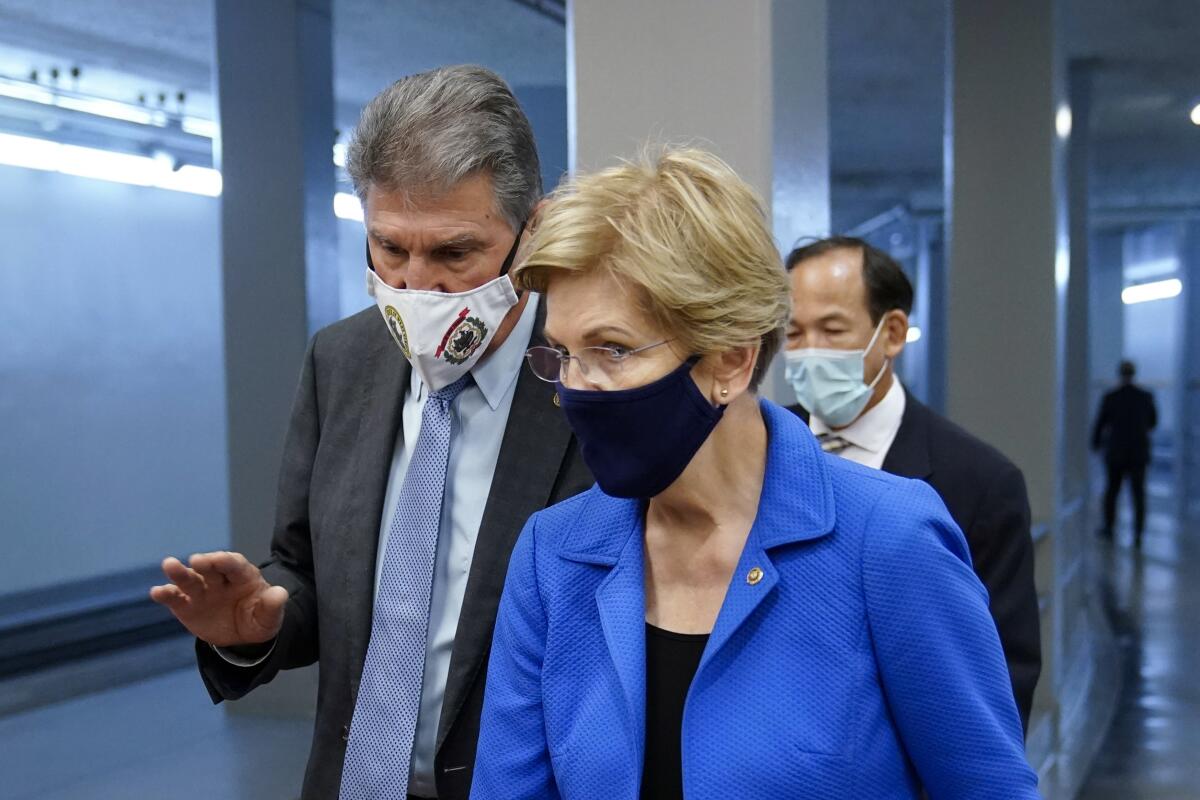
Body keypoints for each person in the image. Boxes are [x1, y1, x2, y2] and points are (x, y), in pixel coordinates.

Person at [470, 148, 1039, 799]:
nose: (576, 389)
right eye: (564, 355)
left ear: (731, 363)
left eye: (612, 349)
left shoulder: (889, 542)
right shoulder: (554, 556)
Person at [149, 65, 592, 800]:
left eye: (455, 253)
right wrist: (257, 624)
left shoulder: (586, 379)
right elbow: (307, 572)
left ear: (532, 231)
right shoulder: (342, 362)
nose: (418, 286)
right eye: (390, 248)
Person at [781, 236, 1041, 731]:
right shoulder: (763, 451)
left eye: (832, 330)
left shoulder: (979, 482)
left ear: (892, 333)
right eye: (794, 334)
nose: (809, 353)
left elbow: (1005, 671)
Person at [1092, 359, 1158, 547]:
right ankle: (1138, 533)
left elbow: (1100, 423)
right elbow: (1153, 422)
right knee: (1138, 494)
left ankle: (1109, 528)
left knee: (1112, 491)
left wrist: (1096, 444)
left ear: (1120, 374)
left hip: (1116, 453)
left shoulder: (1111, 397)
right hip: (1138, 453)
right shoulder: (1146, 396)